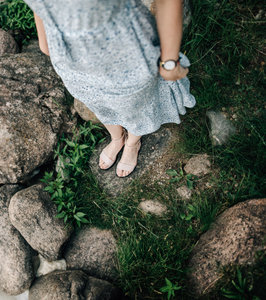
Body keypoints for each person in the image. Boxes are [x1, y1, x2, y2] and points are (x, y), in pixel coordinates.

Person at [23, 0, 195, 177]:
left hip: (123, 51)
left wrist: (169, 62)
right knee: (96, 100)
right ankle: (117, 138)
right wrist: (44, 39)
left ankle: (132, 143)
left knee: (137, 104)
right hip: (69, 57)